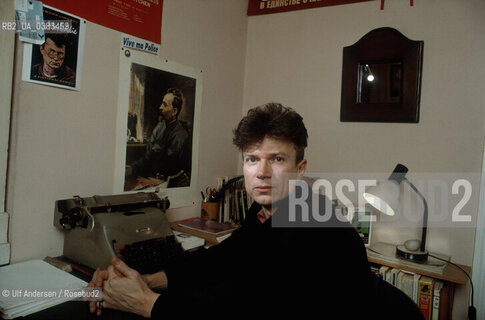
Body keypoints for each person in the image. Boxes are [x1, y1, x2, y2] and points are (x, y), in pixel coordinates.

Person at [87, 103, 385, 318]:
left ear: (300, 168)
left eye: (277, 159)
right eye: (252, 159)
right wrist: (148, 280)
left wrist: (145, 303)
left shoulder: (318, 235)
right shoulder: (266, 209)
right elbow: (224, 258)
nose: (263, 172)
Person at [125, 88, 190, 185]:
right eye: (161, 103)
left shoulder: (182, 136)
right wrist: (131, 169)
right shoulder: (158, 128)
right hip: (149, 182)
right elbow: (146, 160)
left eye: (164, 104)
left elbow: (181, 176)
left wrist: (157, 183)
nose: (160, 107)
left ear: (174, 111)